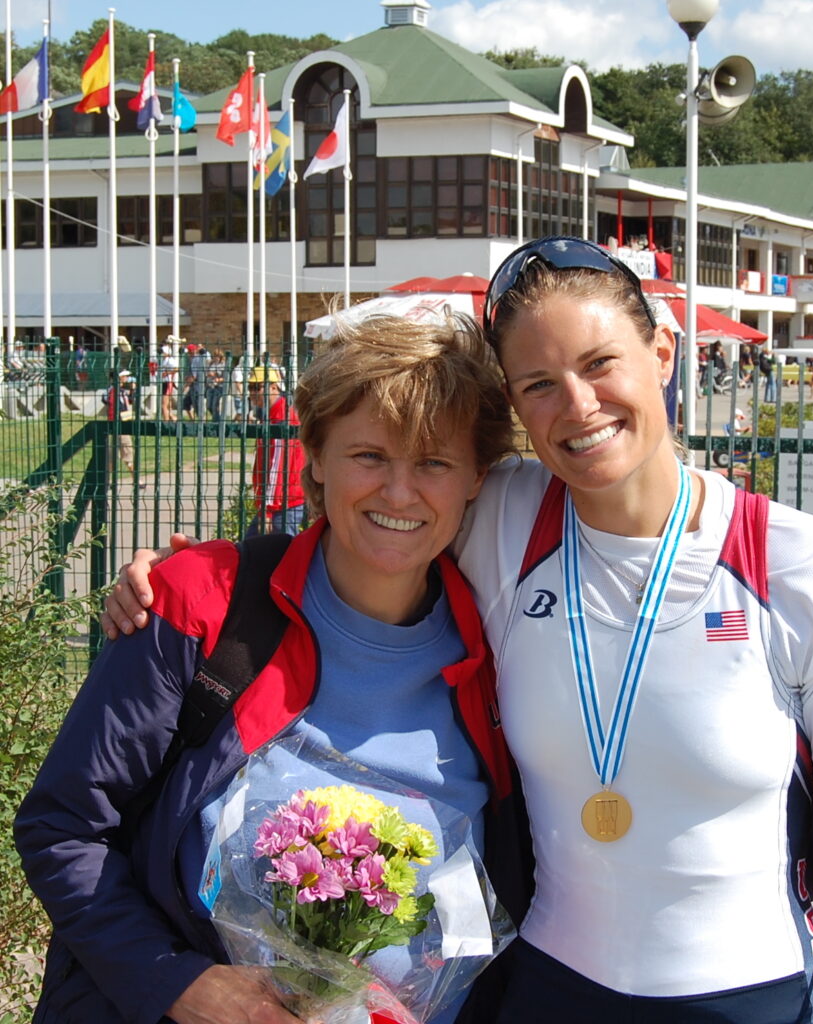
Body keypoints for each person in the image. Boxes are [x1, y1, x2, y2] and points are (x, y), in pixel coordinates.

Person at [104, 239, 813, 1024]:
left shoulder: (810, 568)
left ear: (664, 355)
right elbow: (363, 525)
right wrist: (182, 573)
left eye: (601, 363)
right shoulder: (500, 517)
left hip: (748, 997)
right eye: (537, 383)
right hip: (544, 992)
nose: (578, 405)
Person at [14, 316, 526, 1024]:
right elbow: (62, 827)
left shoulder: (506, 655)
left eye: (434, 462)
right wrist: (179, 985)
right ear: (314, 455)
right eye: (370, 455)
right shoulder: (208, 605)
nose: (400, 493)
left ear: (477, 478)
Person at [247, 365, 308, 536]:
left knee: (282, 553)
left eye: (257, 387)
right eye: (250, 387)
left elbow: (276, 468)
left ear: (273, 387)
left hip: (282, 503)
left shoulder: (281, 419)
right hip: (283, 500)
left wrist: (266, 509)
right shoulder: (274, 415)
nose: (252, 392)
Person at [102, 370, 143, 488]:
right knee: (126, 453)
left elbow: (129, 400)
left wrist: (133, 391)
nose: (126, 378)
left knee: (113, 455)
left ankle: (109, 481)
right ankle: (136, 480)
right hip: (120, 425)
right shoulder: (115, 391)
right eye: (124, 376)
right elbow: (118, 406)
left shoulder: (116, 391)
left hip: (118, 425)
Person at [206, 348, 227, 422]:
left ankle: (216, 421)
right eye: (214, 356)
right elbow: (207, 373)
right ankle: (217, 418)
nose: (215, 358)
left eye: (217, 356)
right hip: (210, 386)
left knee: (215, 405)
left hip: (218, 387)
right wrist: (209, 374)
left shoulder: (223, 365)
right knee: (209, 406)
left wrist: (218, 379)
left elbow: (225, 378)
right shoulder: (211, 364)